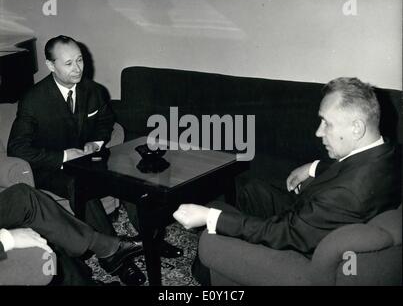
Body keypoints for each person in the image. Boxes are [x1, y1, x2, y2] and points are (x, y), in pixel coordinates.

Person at [173, 77, 401, 283]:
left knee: (213, 221)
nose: (318, 132)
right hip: (315, 219)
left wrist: (211, 217)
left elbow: (287, 233)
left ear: (356, 128)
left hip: (301, 245)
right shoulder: (386, 154)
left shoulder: (348, 192)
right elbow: (351, 165)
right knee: (253, 190)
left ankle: (207, 268)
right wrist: (313, 168)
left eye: (326, 123)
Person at [7, 35, 181, 259]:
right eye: (68, 63)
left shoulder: (93, 90)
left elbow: (106, 121)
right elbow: (17, 148)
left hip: (87, 159)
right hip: (51, 168)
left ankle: (152, 240)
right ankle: (114, 255)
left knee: (128, 173)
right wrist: (63, 156)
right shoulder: (33, 99)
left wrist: (96, 143)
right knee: (79, 183)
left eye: (80, 60)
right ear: (51, 65)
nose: (77, 68)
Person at [0, 183, 146, 285]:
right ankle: (110, 251)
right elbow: (19, 148)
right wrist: (7, 239)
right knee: (34, 209)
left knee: (28, 202)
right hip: (46, 169)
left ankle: (104, 258)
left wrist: (93, 143)